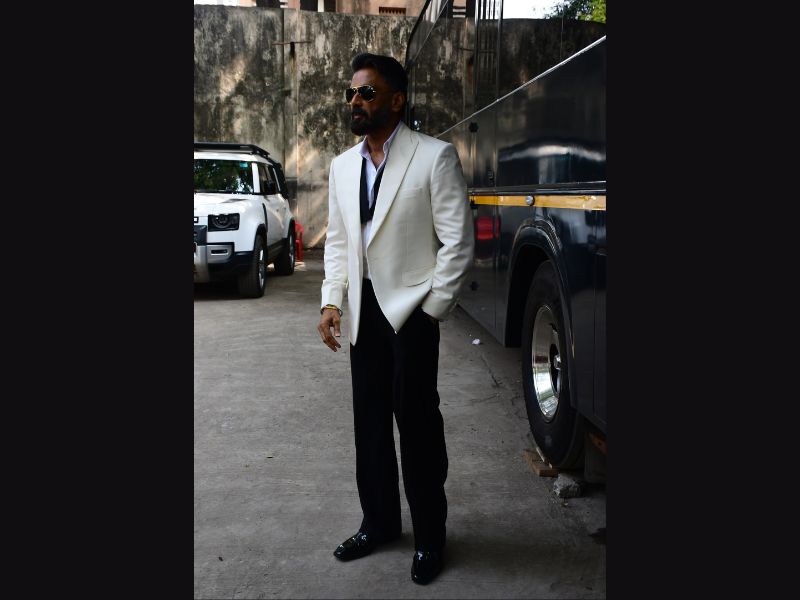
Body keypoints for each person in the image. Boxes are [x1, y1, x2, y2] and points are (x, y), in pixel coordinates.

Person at [317, 52, 474, 585]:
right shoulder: (343, 166)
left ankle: (430, 536)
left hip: (411, 315)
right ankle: (379, 523)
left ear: (396, 100)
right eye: (351, 93)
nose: (355, 101)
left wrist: (432, 310)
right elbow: (340, 243)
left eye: (367, 92)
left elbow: (457, 242)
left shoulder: (434, 157)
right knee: (369, 428)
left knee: (419, 429)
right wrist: (332, 301)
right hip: (363, 315)